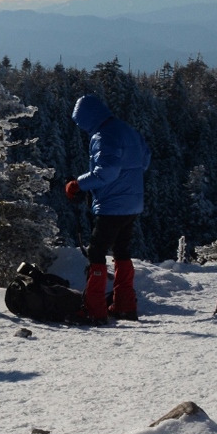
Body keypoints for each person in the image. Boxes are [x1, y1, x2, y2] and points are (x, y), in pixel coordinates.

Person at [65, 94, 151, 321]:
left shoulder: (104, 136)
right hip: (132, 204)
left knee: (96, 252)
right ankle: (124, 304)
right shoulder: (128, 130)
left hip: (112, 205)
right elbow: (145, 160)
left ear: (88, 117)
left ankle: (94, 309)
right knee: (122, 251)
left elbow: (106, 172)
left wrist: (78, 184)